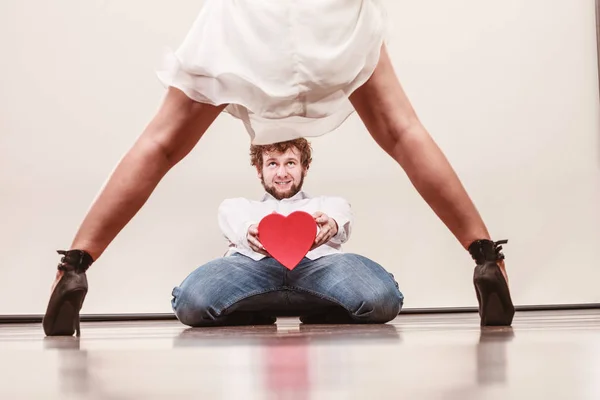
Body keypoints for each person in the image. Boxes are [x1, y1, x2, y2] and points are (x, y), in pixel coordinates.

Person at [43, 0, 514, 336]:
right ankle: (486, 257)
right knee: (402, 131)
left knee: (161, 143)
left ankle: (75, 267)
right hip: (330, 16)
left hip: (249, 17)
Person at [171, 138, 403, 326]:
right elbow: (233, 219)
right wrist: (248, 232)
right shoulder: (239, 206)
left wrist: (331, 224)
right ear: (259, 170)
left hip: (317, 268)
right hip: (253, 269)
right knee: (189, 303)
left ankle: (322, 314)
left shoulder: (329, 202)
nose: (281, 173)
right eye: (272, 163)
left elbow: (341, 217)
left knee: (383, 299)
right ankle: (254, 315)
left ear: (305, 167)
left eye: (290, 163)